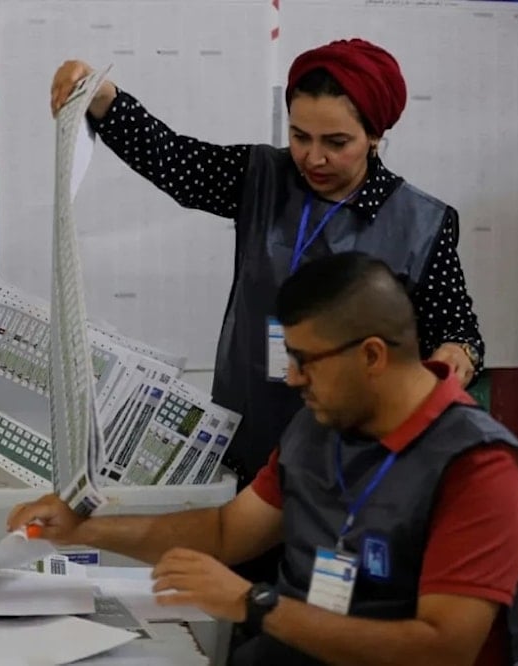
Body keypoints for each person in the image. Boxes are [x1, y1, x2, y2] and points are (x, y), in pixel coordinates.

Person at [8, 252, 518, 666]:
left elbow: (442, 650)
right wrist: (83, 530)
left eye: (305, 361)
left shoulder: (480, 467)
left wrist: (255, 604)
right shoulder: (319, 421)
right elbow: (224, 532)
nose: (291, 379)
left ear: (372, 355)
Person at [49, 39, 485, 510]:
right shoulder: (261, 177)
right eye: (300, 136)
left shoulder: (420, 223)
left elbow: (458, 330)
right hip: (250, 446)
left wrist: (457, 352)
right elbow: (172, 160)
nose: (313, 158)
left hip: (356, 463)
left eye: (336, 143)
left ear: (376, 135)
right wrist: (103, 97)